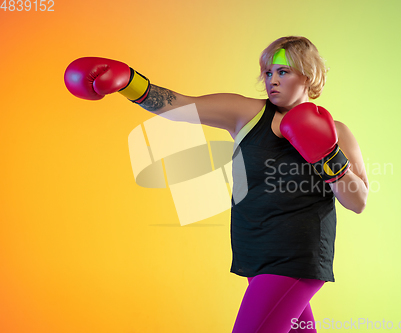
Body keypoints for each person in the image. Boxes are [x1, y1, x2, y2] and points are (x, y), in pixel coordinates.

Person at [64, 36, 369, 333]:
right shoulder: (247, 114)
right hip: (256, 254)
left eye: (283, 71)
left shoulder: (338, 132)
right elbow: (180, 107)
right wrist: (130, 82)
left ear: (308, 75)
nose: (272, 80)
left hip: (298, 256)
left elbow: (358, 202)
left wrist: (330, 157)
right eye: (267, 72)